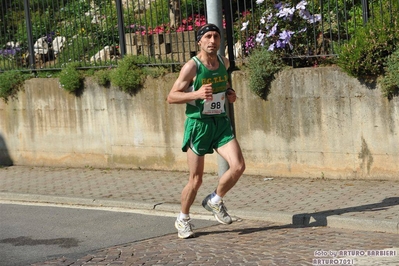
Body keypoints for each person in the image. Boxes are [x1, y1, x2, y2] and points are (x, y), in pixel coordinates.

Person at [167, 23, 246, 239]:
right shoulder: (191, 67)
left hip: (220, 123)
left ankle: (215, 200)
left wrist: (230, 94)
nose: (213, 41)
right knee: (196, 179)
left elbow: (224, 87)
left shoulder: (224, 62)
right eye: (208, 37)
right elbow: (171, 96)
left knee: (238, 166)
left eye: (216, 37)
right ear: (199, 41)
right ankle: (182, 219)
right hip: (198, 126)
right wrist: (196, 94)